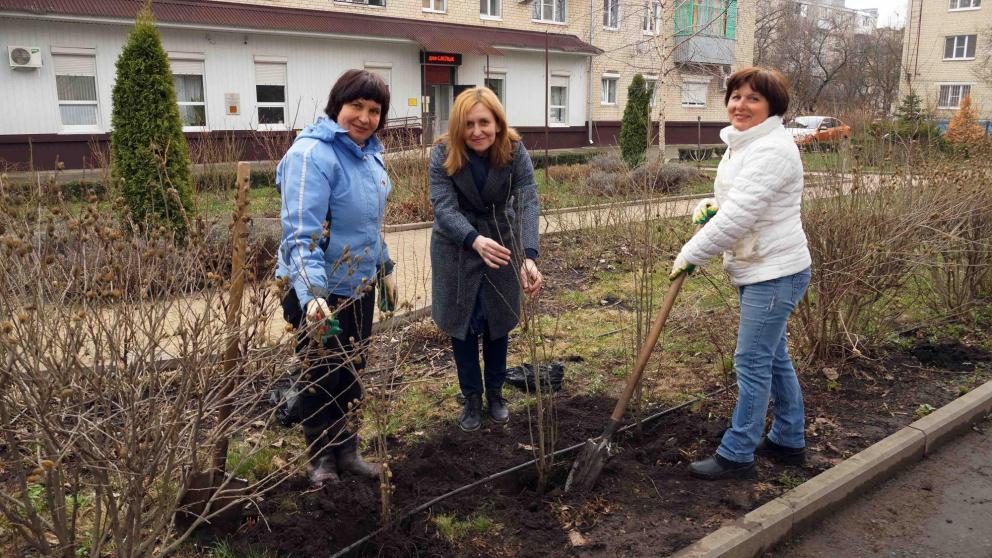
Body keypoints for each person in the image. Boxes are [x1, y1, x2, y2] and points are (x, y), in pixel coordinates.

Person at [669, 67, 812, 480]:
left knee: (751, 361)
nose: (740, 105)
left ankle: (737, 453)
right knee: (773, 357)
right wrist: (709, 206)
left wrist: (690, 252)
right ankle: (788, 439)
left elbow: (739, 217)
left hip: (774, 271)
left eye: (753, 98)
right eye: (735, 96)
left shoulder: (771, 150)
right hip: (762, 266)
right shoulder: (743, 144)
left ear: (772, 107)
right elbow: (735, 204)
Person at [275, 69, 397, 485]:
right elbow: (300, 236)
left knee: (353, 371)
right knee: (320, 374)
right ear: (336, 106)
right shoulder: (312, 155)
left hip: (359, 285)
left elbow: (368, 225)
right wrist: (312, 295)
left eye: (374, 110)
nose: (364, 118)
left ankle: (348, 450)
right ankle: (320, 459)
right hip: (321, 291)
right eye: (356, 107)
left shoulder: (368, 155)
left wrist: (385, 267)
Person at [428, 87, 542, 432]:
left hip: (501, 243)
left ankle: (495, 394)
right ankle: (472, 399)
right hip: (456, 248)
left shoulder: (514, 151)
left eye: (484, 122)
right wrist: (473, 239)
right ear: (458, 126)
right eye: (468, 124)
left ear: (498, 123)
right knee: (461, 326)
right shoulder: (442, 153)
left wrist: (529, 255)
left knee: (497, 322)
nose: (477, 131)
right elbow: (444, 207)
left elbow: (527, 201)